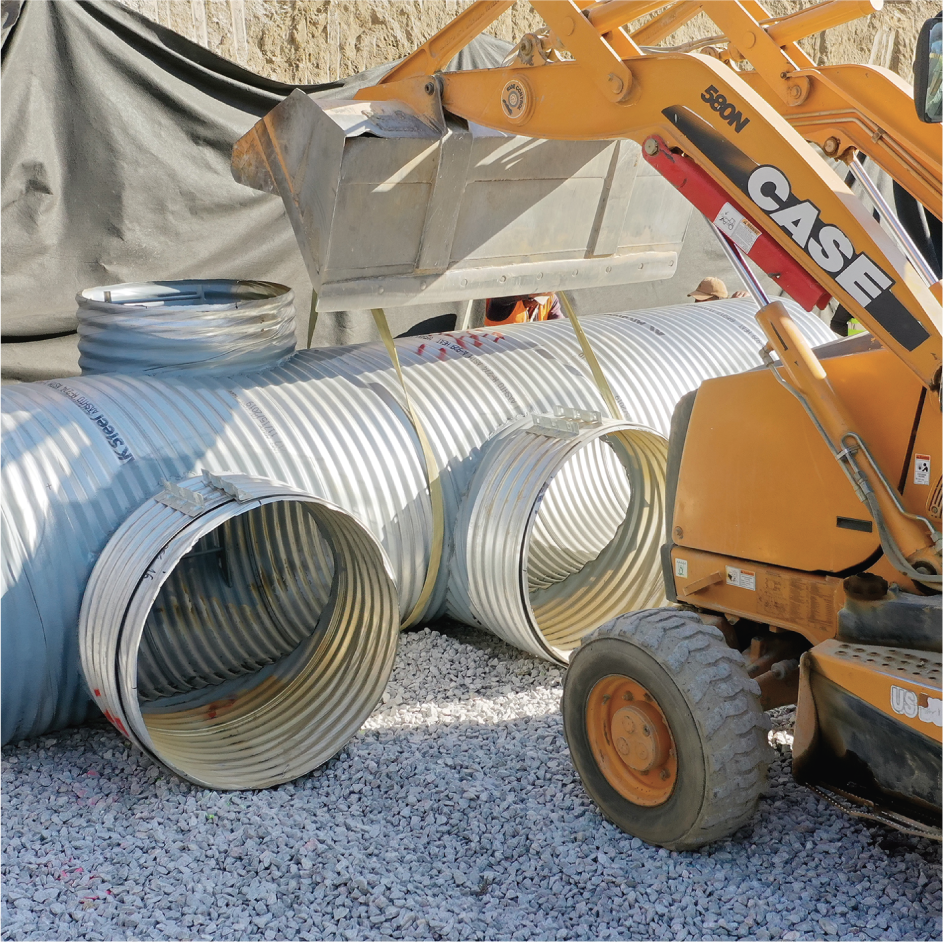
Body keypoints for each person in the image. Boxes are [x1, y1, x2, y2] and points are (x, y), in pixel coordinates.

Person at [484, 293, 563, 326]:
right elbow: (500, 300)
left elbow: (560, 327)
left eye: (535, 300)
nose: (531, 302)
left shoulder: (551, 300)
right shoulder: (505, 298)